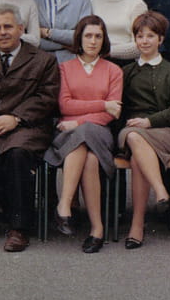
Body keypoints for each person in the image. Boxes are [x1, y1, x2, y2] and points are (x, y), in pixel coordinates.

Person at [0, 4, 60, 252]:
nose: (2, 32)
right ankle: (18, 210)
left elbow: (46, 98)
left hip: (28, 126)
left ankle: (19, 228)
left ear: (21, 28)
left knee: (17, 153)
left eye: (8, 26)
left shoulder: (44, 60)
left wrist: (16, 118)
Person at [44, 15, 122, 253]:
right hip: (67, 134)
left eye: (98, 36)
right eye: (88, 35)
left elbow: (113, 113)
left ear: (104, 40)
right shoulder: (64, 68)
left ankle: (64, 204)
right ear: (79, 38)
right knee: (89, 159)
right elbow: (65, 105)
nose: (93, 41)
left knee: (85, 131)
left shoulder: (114, 70)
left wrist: (78, 121)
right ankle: (97, 229)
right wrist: (102, 104)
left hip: (98, 132)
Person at [118, 11, 170, 249]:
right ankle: (160, 190)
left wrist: (149, 122)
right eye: (140, 36)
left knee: (138, 156)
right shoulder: (127, 72)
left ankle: (137, 225)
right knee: (134, 137)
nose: (144, 41)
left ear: (161, 39)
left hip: (164, 131)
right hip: (131, 130)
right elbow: (120, 108)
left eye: (150, 36)